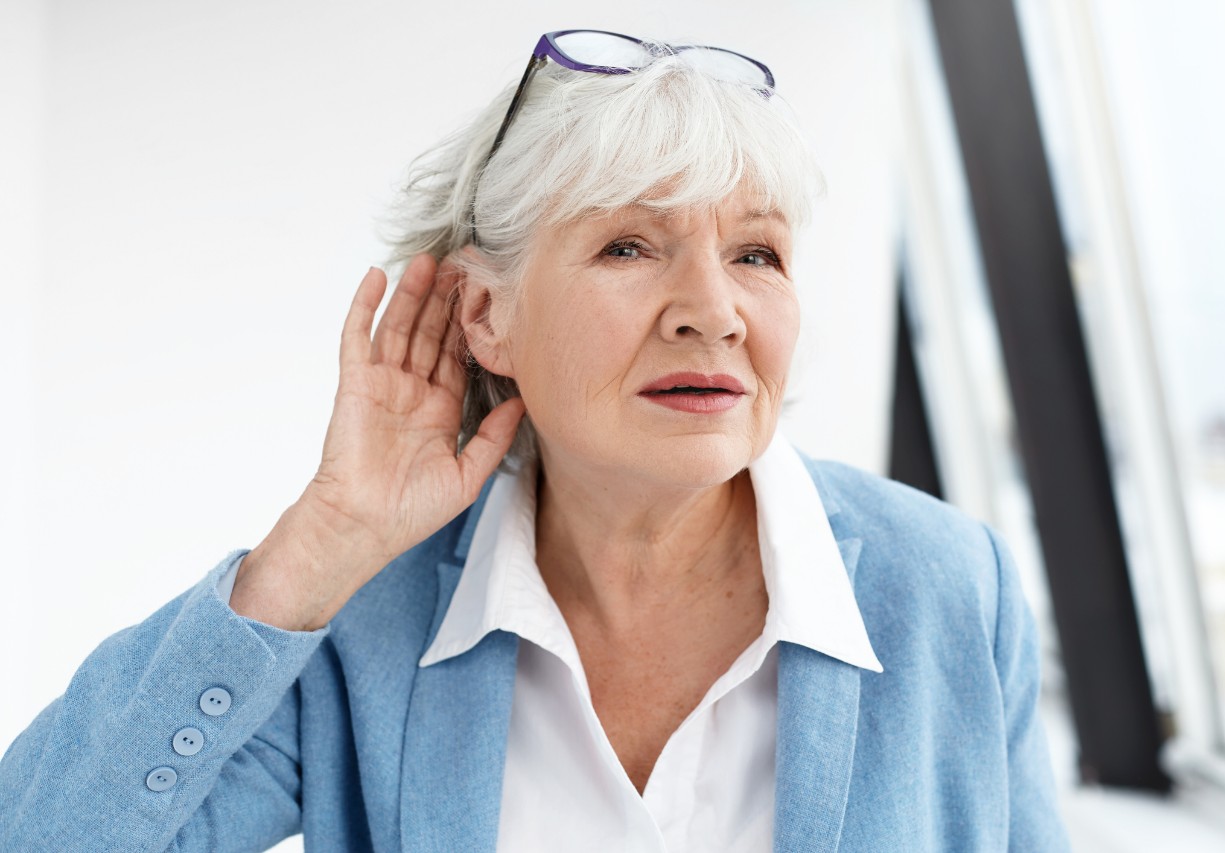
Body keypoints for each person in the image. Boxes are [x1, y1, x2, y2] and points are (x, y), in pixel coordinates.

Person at [0, 29, 1069, 852]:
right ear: (482, 317)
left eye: (755, 255)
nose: (712, 310)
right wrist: (322, 540)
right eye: (628, 245)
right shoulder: (367, 612)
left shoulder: (948, 589)